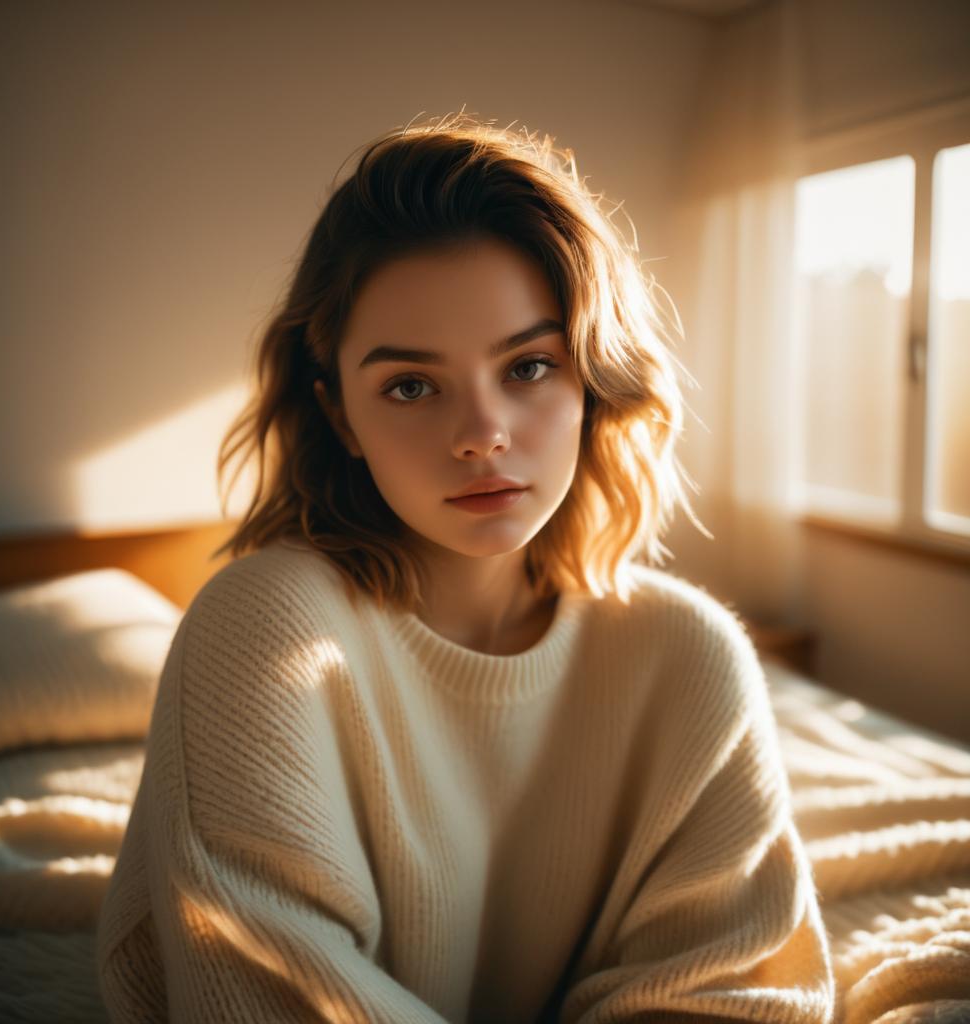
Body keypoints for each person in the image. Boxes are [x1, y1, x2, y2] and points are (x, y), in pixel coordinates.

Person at [96, 111, 835, 1022]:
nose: (482, 433)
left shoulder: (688, 653)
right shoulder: (264, 630)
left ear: (592, 379)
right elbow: (263, 993)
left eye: (528, 367)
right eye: (410, 385)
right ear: (341, 418)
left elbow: (732, 993)